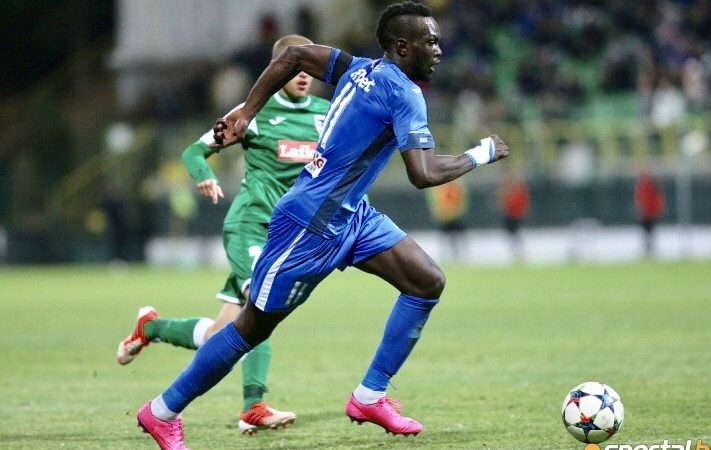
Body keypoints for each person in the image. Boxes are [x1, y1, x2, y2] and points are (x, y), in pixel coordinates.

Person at [135, 3, 509, 448]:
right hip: (309, 224)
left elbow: (294, 55)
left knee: (427, 281)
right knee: (251, 326)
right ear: (403, 46)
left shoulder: (356, 68)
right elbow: (423, 173)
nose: (439, 50)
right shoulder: (405, 94)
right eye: (430, 41)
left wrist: (247, 111)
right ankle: (162, 412)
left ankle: (369, 396)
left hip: (353, 215)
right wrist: (481, 153)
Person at [118, 34, 330, 435]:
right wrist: (204, 175)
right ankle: (254, 406)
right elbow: (194, 151)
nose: (304, 75)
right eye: (295, 68)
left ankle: (151, 328)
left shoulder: (327, 114)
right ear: (277, 71)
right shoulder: (252, 113)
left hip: (287, 238)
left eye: (311, 68)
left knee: (221, 334)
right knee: (264, 304)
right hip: (250, 225)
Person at [426, 179, 469, 262]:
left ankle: (460, 255)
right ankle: (448, 255)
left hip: (454, 215)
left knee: (458, 236)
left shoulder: (456, 186)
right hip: (445, 215)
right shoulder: (441, 187)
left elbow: (462, 199)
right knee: (446, 236)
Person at [496, 169, 530, 260]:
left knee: (515, 234)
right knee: (512, 234)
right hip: (509, 214)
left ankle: (520, 253)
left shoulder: (519, 187)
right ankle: (517, 253)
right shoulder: (508, 186)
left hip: (516, 214)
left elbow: (522, 201)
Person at [634, 169, 665, 258]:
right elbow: (639, 198)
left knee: (649, 231)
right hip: (646, 212)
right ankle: (648, 248)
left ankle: (649, 249)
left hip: (651, 212)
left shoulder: (652, 185)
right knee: (647, 232)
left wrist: (656, 210)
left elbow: (657, 199)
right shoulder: (642, 185)